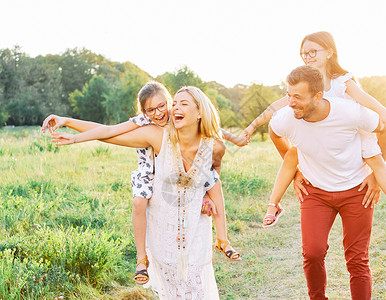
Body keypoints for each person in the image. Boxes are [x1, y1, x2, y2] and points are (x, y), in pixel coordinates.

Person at [42, 82, 241, 289]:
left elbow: (214, 167)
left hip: (188, 201)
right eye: (151, 109)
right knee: (140, 205)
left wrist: (206, 195)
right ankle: (141, 258)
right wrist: (71, 129)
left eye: (164, 106)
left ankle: (222, 239)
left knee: (214, 187)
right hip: (155, 181)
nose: (159, 112)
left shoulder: (208, 140)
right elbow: (108, 132)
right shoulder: (151, 129)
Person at [241, 31, 386, 229]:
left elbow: (363, 97)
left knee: (376, 160)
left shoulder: (340, 80)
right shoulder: (304, 84)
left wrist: (382, 111)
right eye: (304, 53)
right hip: (316, 134)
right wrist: (253, 125)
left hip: (350, 131)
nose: (308, 57)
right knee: (291, 156)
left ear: (330, 52)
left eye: (313, 51)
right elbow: (277, 106)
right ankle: (273, 205)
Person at [270, 65, 383, 299]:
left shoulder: (350, 112)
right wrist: (296, 169)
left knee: (357, 258)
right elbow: (274, 132)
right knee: (312, 252)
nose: (290, 102)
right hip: (316, 192)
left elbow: (384, 127)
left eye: (297, 97)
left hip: (356, 189)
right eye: (288, 95)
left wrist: (376, 175)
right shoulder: (287, 117)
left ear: (318, 96)